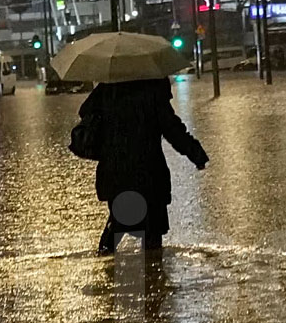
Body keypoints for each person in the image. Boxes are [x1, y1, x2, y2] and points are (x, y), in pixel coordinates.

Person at [76, 78, 209, 255]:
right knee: (152, 234)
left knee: (117, 224)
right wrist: (196, 154)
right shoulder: (153, 89)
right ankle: (153, 275)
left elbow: (86, 113)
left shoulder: (107, 90)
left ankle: (105, 268)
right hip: (149, 173)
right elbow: (172, 129)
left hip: (116, 171)